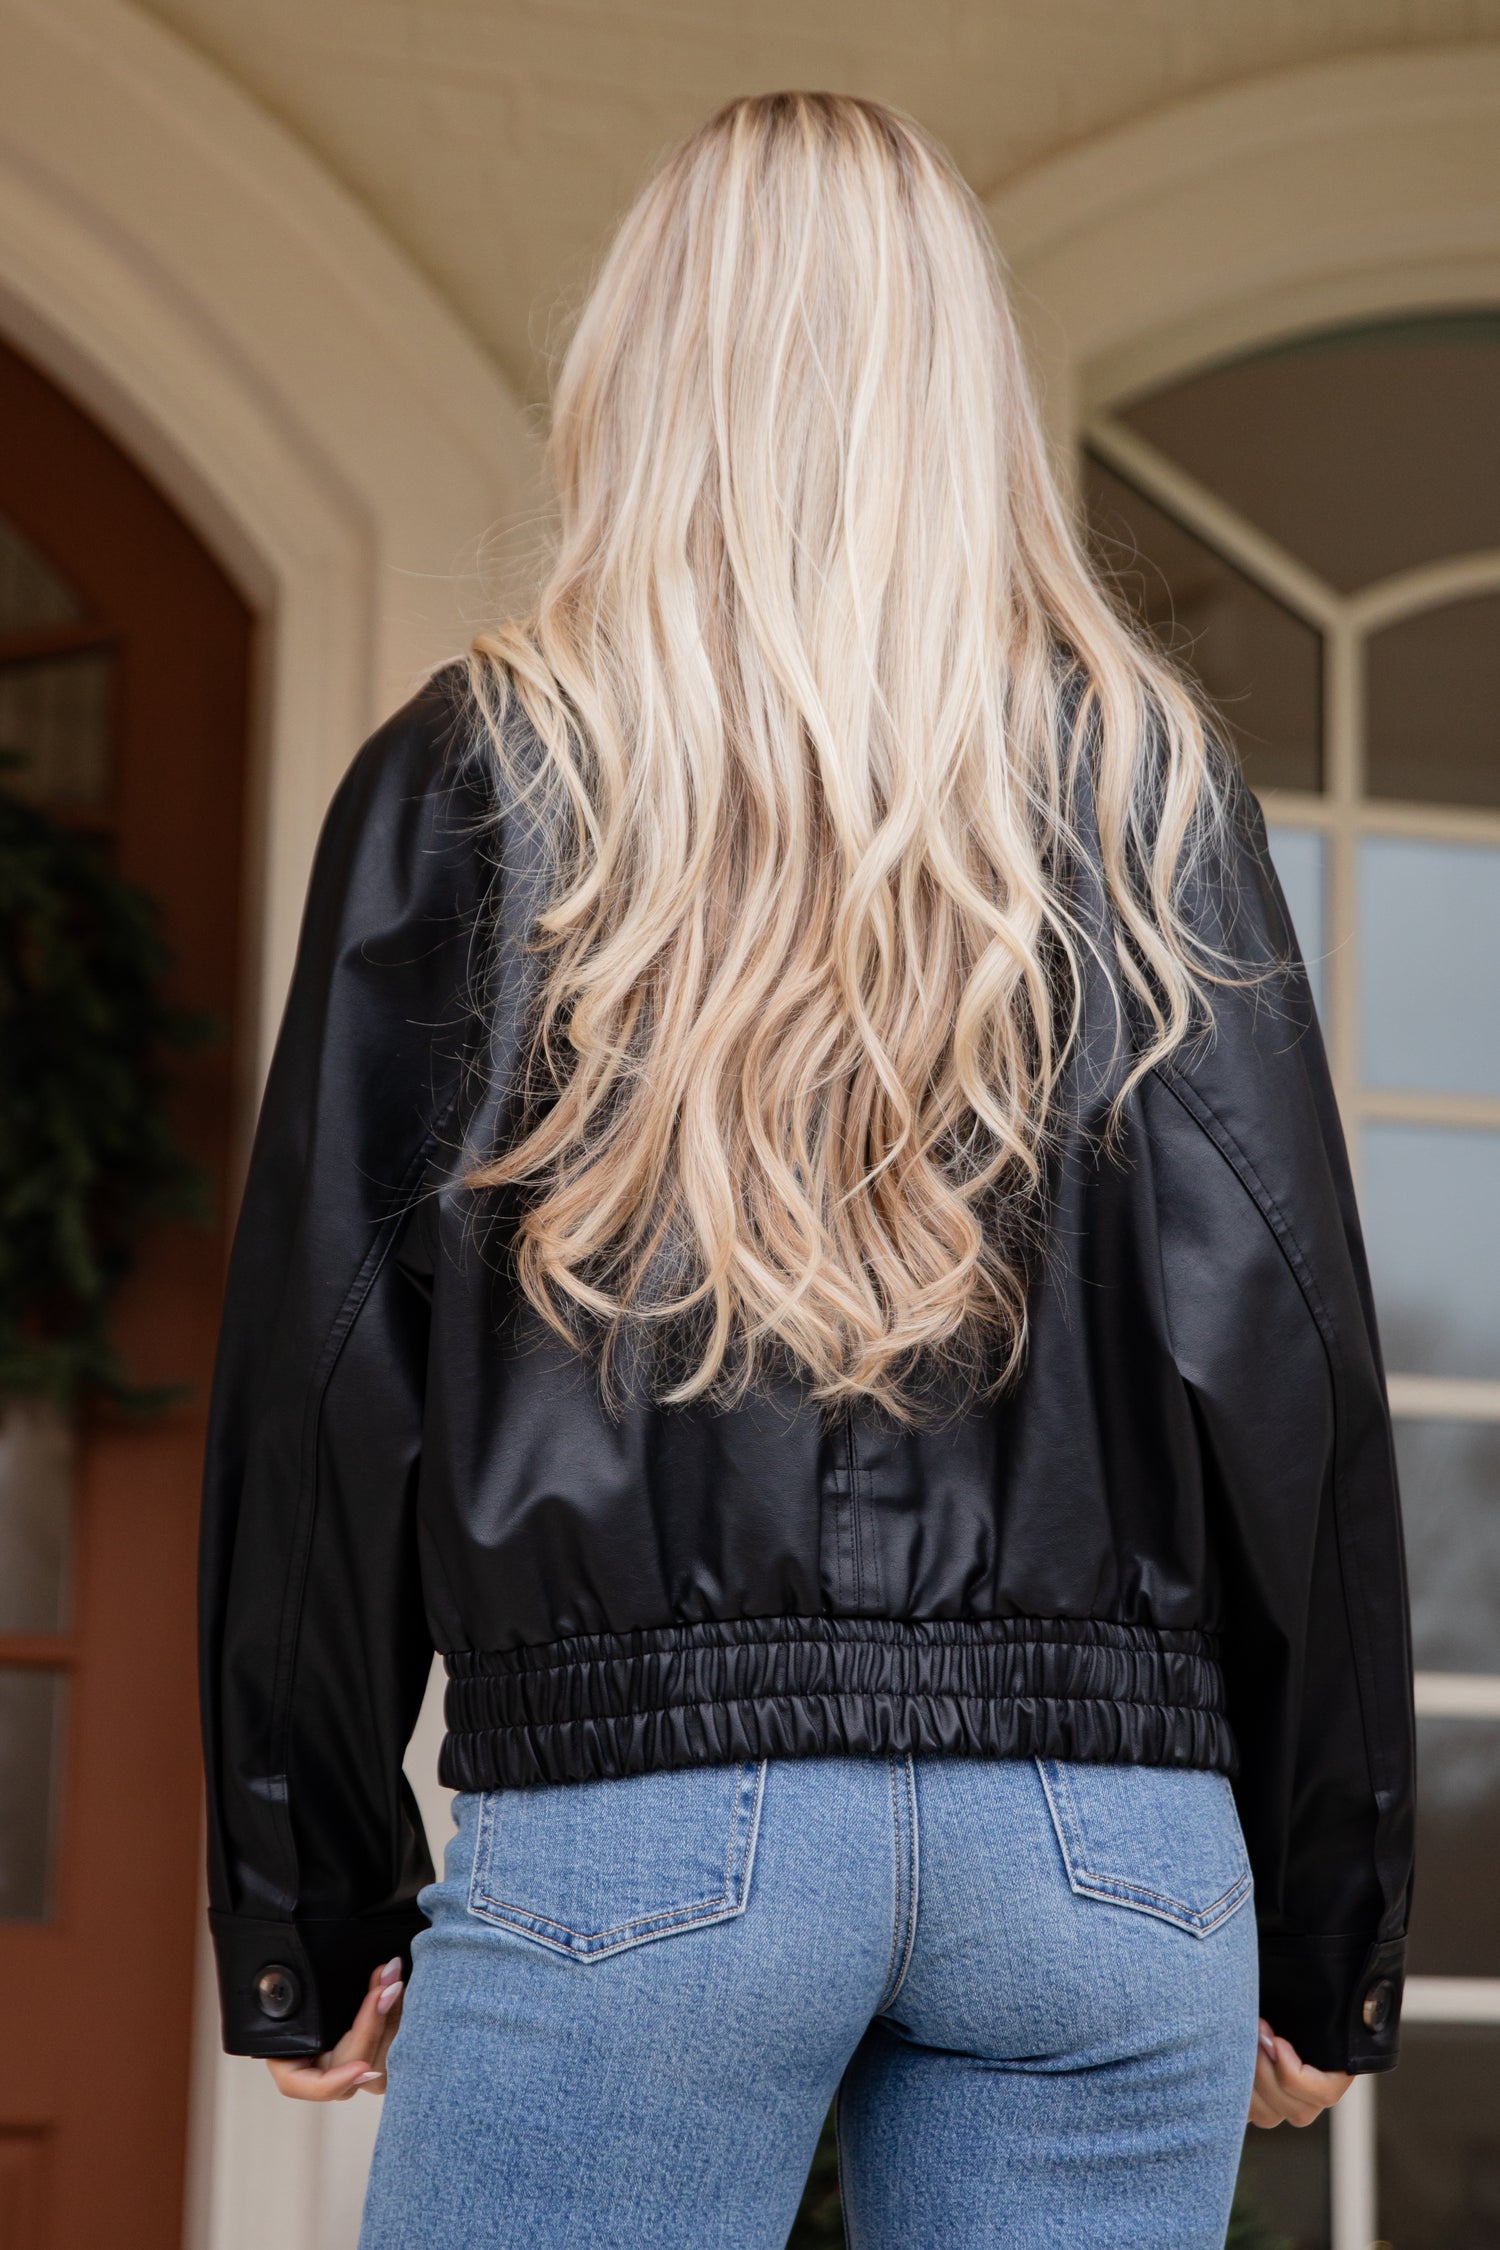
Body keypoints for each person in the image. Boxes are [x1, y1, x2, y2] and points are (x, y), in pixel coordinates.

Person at [199, 92, 1414, 2250]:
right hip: (1107, 1852)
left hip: (640, 1831)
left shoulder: (478, 775)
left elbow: (323, 1377)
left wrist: (304, 1898)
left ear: (638, 379)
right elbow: (1297, 1366)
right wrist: (1335, 1917)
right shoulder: (1141, 787)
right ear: (966, 397)